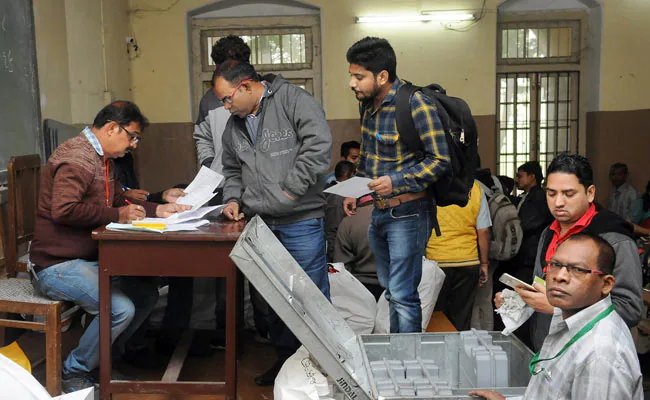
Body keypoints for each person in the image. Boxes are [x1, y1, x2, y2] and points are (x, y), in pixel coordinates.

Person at [29, 101, 189, 392]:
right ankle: (75, 370)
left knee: (145, 294)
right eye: (132, 136)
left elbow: (117, 200)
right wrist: (117, 215)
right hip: (56, 265)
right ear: (112, 128)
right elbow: (64, 210)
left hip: (86, 260)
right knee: (120, 308)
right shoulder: (76, 158)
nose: (134, 145)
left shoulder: (102, 159)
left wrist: (157, 209)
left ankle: (103, 359)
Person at [215, 60, 332, 385]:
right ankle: (286, 365)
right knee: (276, 298)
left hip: (301, 220)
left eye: (227, 98)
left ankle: (323, 368)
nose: (225, 106)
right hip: (262, 224)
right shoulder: (234, 126)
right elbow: (232, 169)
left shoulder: (294, 100)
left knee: (310, 295)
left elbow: (318, 147)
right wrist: (233, 199)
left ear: (246, 86)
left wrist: (290, 190)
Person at [342, 37, 449, 333]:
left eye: (359, 76)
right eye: (351, 75)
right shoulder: (367, 106)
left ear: (382, 76)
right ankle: (397, 352)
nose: (352, 83)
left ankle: (408, 357)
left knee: (403, 295)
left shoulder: (415, 104)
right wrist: (356, 190)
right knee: (392, 293)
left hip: (409, 213)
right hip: (379, 212)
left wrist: (396, 181)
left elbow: (440, 160)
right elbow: (369, 156)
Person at [495, 153, 643, 351]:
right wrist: (520, 301)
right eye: (551, 193)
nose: (558, 202)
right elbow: (543, 288)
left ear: (590, 193)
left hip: (591, 353)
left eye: (569, 194)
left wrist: (558, 309)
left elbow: (629, 309)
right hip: (548, 349)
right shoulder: (548, 233)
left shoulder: (614, 239)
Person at [471, 233, 642, 400]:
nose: (559, 276)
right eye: (555, 264)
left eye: (578, 270)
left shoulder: (601, 356)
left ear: (606, 284)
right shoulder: (570, 319)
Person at [426, 181, 491, 330]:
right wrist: (484, 263)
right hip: (468, 262)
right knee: (462, 318)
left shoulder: (431, 184)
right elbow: (484, 231)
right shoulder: (476, 188)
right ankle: (459, 344)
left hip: (436, 261)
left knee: (435, 317)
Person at [325, 160, 356, 262]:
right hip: (338, 251)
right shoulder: (339, 197)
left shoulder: (330, 191)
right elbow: (334, 229)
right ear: (352, 175)